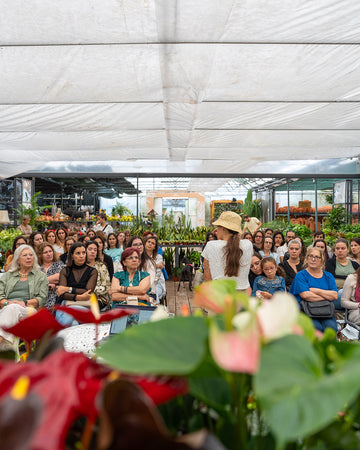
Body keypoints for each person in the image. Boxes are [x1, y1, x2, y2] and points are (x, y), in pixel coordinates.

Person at [0, 245, 49, 348]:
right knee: (12, 310)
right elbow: (0, 296)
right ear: (17, 260)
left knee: (12, 309)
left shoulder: (41, 276)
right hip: (7, 309)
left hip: (29, 310)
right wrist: (6, 303)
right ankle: (13, 360)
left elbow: (42, 298)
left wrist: (25, 303)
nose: (29, 257)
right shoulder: (7, 276)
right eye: (25, 255)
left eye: (31, 255)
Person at [202, 211, 252, 294]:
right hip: (241, 296)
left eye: (218, 226)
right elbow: (234, 243)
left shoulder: (211, 245)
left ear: (223, 228)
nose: (216, 229)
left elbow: (207, 277)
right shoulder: (248, 244)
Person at [290, 247, 338, 333]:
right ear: (307, 258)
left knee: (331, 328)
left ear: (322, 260)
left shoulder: (328, 276)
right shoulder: (301, 275)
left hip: (325, 310)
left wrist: (316, 290)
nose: (313, 259)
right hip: (306, 310)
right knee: (316, 329)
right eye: (310, 256)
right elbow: (306, 296)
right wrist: (327, 296)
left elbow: (335, 295)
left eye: (317, 257)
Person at [55, 242, 98, 326]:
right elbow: (62, 294)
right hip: (66, 304)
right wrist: (79, 297)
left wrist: (68, 289)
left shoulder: (92, 271)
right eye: (78, 253)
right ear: (72, 255)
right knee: (72, 321)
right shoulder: (65, 271)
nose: (81, 256)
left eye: (83, 253)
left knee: (70, 319)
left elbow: (87, 291)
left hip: (85, 306)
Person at [325, 238, 359, 309]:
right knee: (341, 292)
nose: (340, 251)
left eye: (343, 248)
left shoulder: (355, 264)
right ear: (334, 251)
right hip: (337, 294)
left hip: (354, 294)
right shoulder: (330, 263)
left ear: (348, 249)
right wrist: (350, 279)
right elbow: (331, 279)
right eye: (337, 248)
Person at [37, 242, 65, 310]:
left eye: (50, 251)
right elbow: (32, 281)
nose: (49, 254)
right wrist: (47, 283)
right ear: (40, 255)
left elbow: (59, 277)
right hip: (39, 296)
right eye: (45, 252)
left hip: (55, 296)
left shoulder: (58, 264)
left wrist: (42, 282)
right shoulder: (37, 266)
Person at [86, 240, 111, 310]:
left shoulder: (101, 266)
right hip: (81, 296)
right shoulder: (81, 266)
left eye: (95, 250)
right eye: (90, 249)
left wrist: (89, 292)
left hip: (99, 298)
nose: (92, 252)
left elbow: (106, 286)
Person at [143, 235, 166, 303]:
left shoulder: (158, 257)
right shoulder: (140, 257)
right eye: (148, 242)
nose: (150, 244)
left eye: (153, 243)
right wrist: (156, 265)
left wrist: (148, 267)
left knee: (153, 295)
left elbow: (157, 273)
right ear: (145, 243)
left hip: (156, 283)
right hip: (143, 283)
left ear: (154, 247)